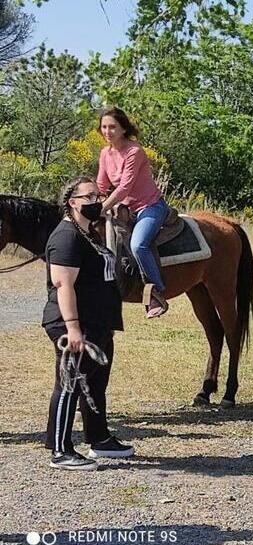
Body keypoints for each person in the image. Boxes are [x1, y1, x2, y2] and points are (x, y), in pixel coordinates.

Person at [43, 177, 133, 470]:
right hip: (75, 323)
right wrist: (72, 328)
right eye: (90, 196)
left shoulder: (87, 234)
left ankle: (99, 439)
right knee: (70, 383)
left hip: (98, 323)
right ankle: (60, 449)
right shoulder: (66, 237)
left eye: (99, 194)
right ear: (73, 203)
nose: (97, 200)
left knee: (94, 383)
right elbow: (63, 285)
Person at [97, 106, 170, 318]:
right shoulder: (105, 153)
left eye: (112, 127)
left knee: (138, 245)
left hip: (150, 207)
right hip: (124, 210)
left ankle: (156, 292)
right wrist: (91, 202)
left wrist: (103, 207)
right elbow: (101, 185)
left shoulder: (134, 151)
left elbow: (124, 187)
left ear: (123, 128)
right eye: (104, 127)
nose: (108, 131)